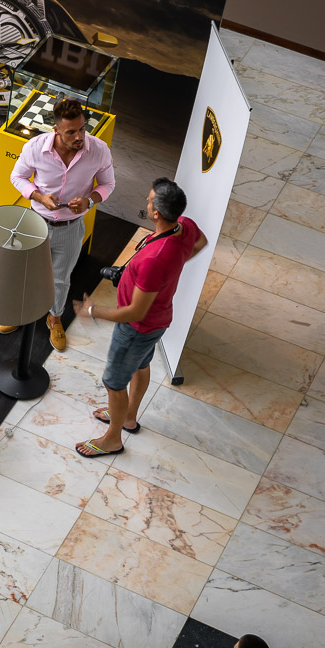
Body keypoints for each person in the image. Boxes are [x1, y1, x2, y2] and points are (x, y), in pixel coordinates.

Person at [73, 177, 206, 458]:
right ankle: (129, 416)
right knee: (141, 365)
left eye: (149, 200)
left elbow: (135, 311)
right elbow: (201, 242)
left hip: (136, 328)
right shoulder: (186, 226)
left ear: (156, 213)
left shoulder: (155, 259)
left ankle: (112, 439)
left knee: (114, 382)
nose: (146, 202)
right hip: (157, 321)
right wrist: (177, 264)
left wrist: (93, 311)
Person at [5, 98, 116, 351]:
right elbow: (17, 176)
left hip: (71, 228)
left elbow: (108, 185)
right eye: (71, 132)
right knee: (24, 272)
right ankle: (18, 312)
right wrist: (40, 196)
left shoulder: (99, 150)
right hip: (35, 222)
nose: (79, 136)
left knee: (60, 279)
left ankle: (54, 319)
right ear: (56, 130)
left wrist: (89, 201)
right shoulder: (35, 147)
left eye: (81, 129)